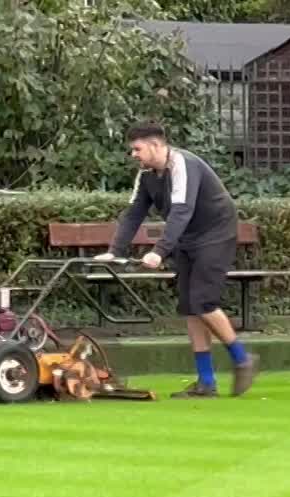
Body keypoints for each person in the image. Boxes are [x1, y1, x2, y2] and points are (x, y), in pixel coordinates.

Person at [96, 120, 256, 399]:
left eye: (137, 149)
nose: (133, 155)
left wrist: (159, 251)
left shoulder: (183, 164)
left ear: (156, 145)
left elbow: (182, 210)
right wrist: (115, 250)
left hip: (215, 233)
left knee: (203, 302)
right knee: (189, 307)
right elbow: (134, 213)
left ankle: (243, 359)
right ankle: (206, 382)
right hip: (188, 237)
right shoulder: (146, 175)